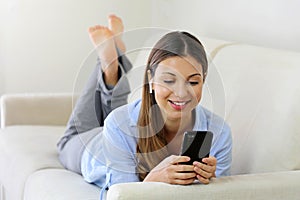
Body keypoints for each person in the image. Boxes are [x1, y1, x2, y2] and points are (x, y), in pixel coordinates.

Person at [57, 14, 232, 193]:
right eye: (169, 81)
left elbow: (223, 195)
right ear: (151, 79)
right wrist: (154, 179)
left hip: (126, 129)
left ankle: (115, 56)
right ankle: (109, 64)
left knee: (121, 118)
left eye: (193, 82)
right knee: (67, 141)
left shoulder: (219, 133)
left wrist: (211, 182)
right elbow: (123, 195)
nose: (181, 93)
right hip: (96, 146)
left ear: (204, 80)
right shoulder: (117, 125)